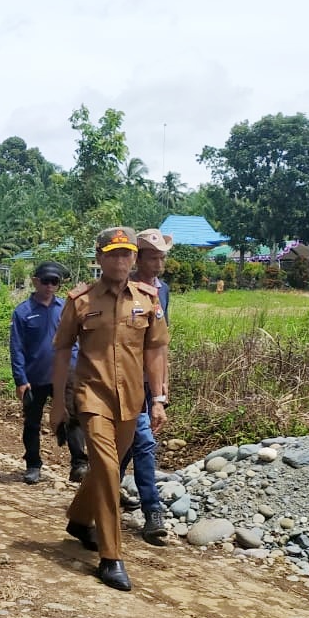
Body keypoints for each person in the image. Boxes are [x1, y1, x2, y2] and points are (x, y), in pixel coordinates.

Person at [50, 227, 168, 591]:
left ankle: (79, 519)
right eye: (113, 254)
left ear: (134, 258)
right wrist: (58, 403)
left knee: (108, 466)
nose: (120, 260)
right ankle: (111, 556)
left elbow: (156, 350)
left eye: (126, 254)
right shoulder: (80, 300)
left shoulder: (148, 298)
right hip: (92, 396)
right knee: (106, 466)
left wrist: (159, 398)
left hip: (131, 399)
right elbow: (61, 350)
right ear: (99, 257)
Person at [120, 228, 174, 544]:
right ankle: (152, 510)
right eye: (152, 257)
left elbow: (160, 342)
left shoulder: (162, 291)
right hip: (124, 382)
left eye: (161, 258)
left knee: (133, 445)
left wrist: (161, 387)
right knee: (142, 442)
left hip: (148, 382)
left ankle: (104, 495)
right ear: (138, 258)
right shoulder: (125, 290)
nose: (158, 264)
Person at [10, 261, 87, 484]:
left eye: (55, 282)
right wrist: (20, 379)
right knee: (32, 422)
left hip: (66, 375)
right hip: (35, 377)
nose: (50, 286)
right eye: (45, 281)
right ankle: (33, 464)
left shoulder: (65, 308)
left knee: (72, 418)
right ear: (35, 281)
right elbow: (16, 347)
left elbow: (79, 337)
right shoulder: (23, 312)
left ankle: (79, 464)